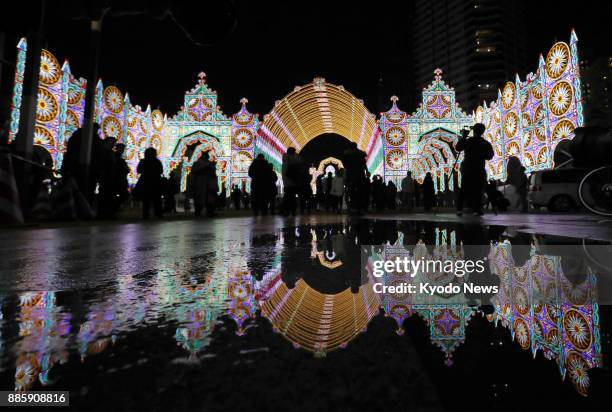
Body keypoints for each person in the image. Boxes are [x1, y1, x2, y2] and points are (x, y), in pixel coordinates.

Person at [455, 123, 494, 216]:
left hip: (468, 169)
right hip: (479, 169)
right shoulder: (485, 143)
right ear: (482, 132)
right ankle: (476, 209)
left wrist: (463, 137)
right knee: (478, 189)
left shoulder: (468, 141)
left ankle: (459, 209)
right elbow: (489, 156)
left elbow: (458, 148)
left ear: (474, 131)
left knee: (464, 189)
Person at [136, 147, 164, 219]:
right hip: (156, 182)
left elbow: (138, 170)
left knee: (146, 199)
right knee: (157, 199)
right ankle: (158, 213)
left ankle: (146, 214)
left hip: (145, 181)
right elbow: (161, 171)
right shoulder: (157, 162)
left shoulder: (143, 161)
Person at [190, 152, 218, 217]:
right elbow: (194, 171)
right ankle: (198, 212)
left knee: (209, 199)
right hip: (200, 183)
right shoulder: (197, 163)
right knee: (200, 199)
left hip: (208, 184)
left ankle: (209, 212)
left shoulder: (209, 164)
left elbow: (213, 173)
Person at [281, 147, 302, 216]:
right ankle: (292, 210)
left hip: (286, 183)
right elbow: (299, 161)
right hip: (292, 181)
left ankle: (286, 210)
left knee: (287, 196)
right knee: (292, 197)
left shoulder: (284, 162)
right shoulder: (292, 159)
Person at [112, 143, 130, 215]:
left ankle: (114, 209)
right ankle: (114, 209)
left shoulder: (118, 158)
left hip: (120, 180)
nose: (122, 150)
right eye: (121, 149)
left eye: (123, 149)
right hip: (117, 180)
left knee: (124, 195)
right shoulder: (115, 157)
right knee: (123, 195)